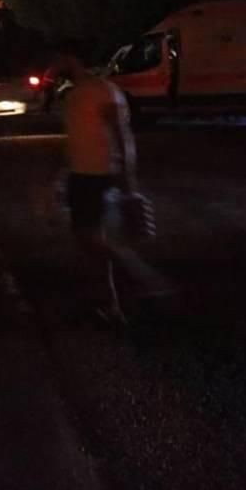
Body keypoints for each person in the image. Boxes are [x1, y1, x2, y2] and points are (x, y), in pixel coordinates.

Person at [51, 54, 170, 328]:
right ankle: (110, 303)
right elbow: (76, 139)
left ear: (71, 59)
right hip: (81, 175)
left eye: (57, 61)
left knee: (91, 239)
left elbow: (122, 135)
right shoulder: (75, 94)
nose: (53, 68)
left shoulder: (101, 90)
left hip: (98, 175)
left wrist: (128, 179)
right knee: (88, 240)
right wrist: (62, 175)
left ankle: (141, 278)